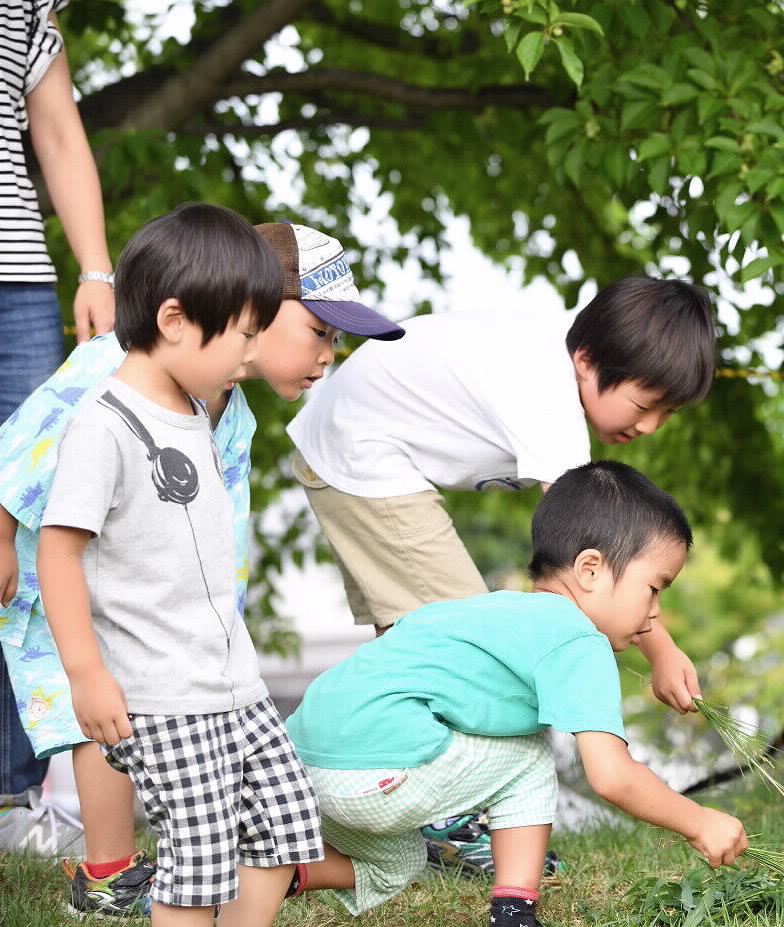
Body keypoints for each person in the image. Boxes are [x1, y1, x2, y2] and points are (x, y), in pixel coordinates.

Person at [0, 214, 404, 917]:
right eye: (318, 331)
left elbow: (217, 533)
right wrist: (3, 535)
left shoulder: (229, 412)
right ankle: (109, 869)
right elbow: (24, 445)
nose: (326, 356)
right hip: (68, 579)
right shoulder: (109, 381)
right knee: (91, 718)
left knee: (273, 816)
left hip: (192, 642)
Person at [287, 275, 717, 864]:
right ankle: (458, 820)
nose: (649, 426)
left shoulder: (568, 352)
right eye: (645, 405)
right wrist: (660, 649)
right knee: (479, 642)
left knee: (416, 637)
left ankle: (395, 797)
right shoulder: (549, 392)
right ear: (588, 360)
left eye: (666, 413)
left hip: (348, 446)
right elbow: (601, 556)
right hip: (359, 451)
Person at [282, 460, 748, 927]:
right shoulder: (577, 638)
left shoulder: (494, 610)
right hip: (371, 771)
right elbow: (613, 777)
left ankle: (279, 872)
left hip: (304, 764)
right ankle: (514, 915)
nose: (655, 613)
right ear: (590, 570)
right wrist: (699, 821)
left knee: (400, 864)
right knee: (530, 759)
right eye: (653, 589)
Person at [0, 0, 116, 847]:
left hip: (18, 285)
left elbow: (60, 132)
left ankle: (11, 796)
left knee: (23, 531)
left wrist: (97, 267)